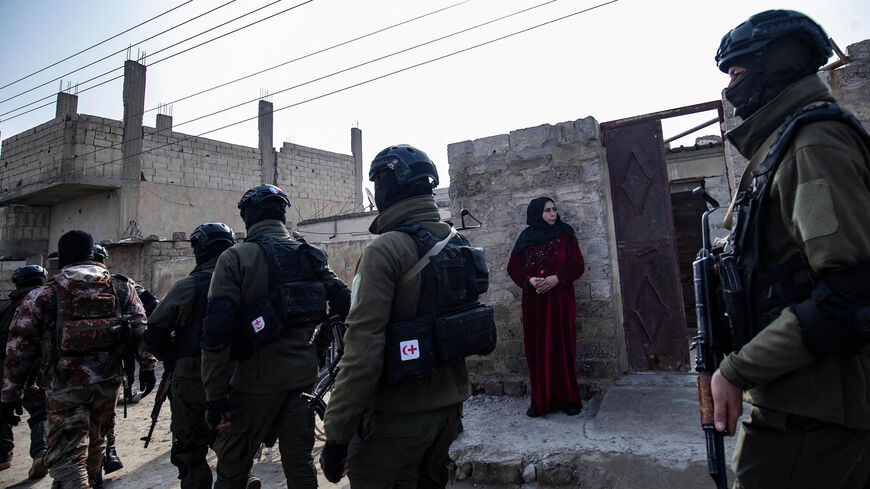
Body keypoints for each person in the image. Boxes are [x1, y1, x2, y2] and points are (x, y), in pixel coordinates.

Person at [709, 10, 870, 488]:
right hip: (803, 399)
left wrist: (737, 371)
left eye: (737, 73)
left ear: (772, 68)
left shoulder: (811, 144)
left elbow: (850, 295)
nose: (731, 88)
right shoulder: (786, 144)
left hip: (816, 408)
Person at [321, 145, 475, 488]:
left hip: (396, 420)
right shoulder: (455, 241)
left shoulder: (384, 251)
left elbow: (361, 351)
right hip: (449, 413)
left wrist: (336, 435)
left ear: (385, 188)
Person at [201, 184, 350, 489]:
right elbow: (344, 303)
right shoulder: (311, 255)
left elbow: (216, 334)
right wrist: (317, 349)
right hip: (302, 381)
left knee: (233, 466)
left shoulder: (234, 259)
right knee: (300, 463)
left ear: (248, 217)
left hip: (252, 385)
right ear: (283, 214)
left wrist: (215, 396)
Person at [0, 230, 156, 488]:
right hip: (109, 382)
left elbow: (20, 348)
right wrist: (148, 366)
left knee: (67, 456)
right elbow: (142, 331)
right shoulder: (121, 288)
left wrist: (10, 395)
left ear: (62, 258)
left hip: (65, 385)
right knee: (96, 442)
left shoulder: (43, 295)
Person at [145, 222, 237, 489]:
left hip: (192, 381)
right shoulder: (244, 283)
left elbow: (153, 337)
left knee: (190, 450)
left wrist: (174, 358)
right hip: (237, 378)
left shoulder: (188, 286)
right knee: (233, 447)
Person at [507, 197, 585, 417]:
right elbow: (513, 268)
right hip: (535, 303)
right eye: (547, 211)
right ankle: (541, 402)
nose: (553, 214)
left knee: (562, 349)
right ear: (537, 214)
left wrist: (557, 279)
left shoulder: (565, 234)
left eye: (554, 210)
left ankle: (569, 400)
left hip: (560, 301)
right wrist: (530, 281)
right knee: (537, 350)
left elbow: (578, 265)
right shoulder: (525, 238)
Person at [91, 243, 158, 475]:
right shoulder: (121, 285)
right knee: (104, 414)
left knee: (70, 434)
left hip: (63, 376)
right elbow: (143, 324)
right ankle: (107, 451)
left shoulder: (51, 290)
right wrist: (148, 365)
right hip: (110, 368)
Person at [0, 265, 49, 479]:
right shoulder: (49, 303)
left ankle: (3, 455)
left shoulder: (4, 307)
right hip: (37, 370)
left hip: (6, 369)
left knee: (3, 410)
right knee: (40, 411)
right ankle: (40, 452)